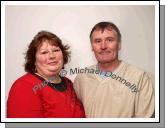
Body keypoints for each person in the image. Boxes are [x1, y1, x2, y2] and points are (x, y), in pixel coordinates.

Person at [74, 22, 155, 118]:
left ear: (119, 44)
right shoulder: (82, 78)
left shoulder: (140, 78)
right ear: (92, 47)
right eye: (98, 41)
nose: (103, 46)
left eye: (109, 40)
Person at [7, 31, 85, 118]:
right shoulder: (24, 86)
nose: (51, 56)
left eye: (56, 50)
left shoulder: (68, 83)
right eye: (44, 52)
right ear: (34, 60)